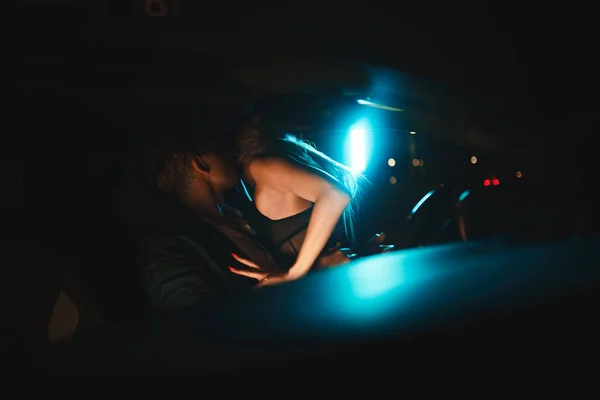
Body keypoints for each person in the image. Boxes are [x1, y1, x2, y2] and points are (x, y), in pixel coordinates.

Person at [228, 124, 367, 286]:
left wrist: (294, 274)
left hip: (326, 287)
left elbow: (335, 195)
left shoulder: (260, 166)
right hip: (330, 286)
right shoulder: (284, 167)